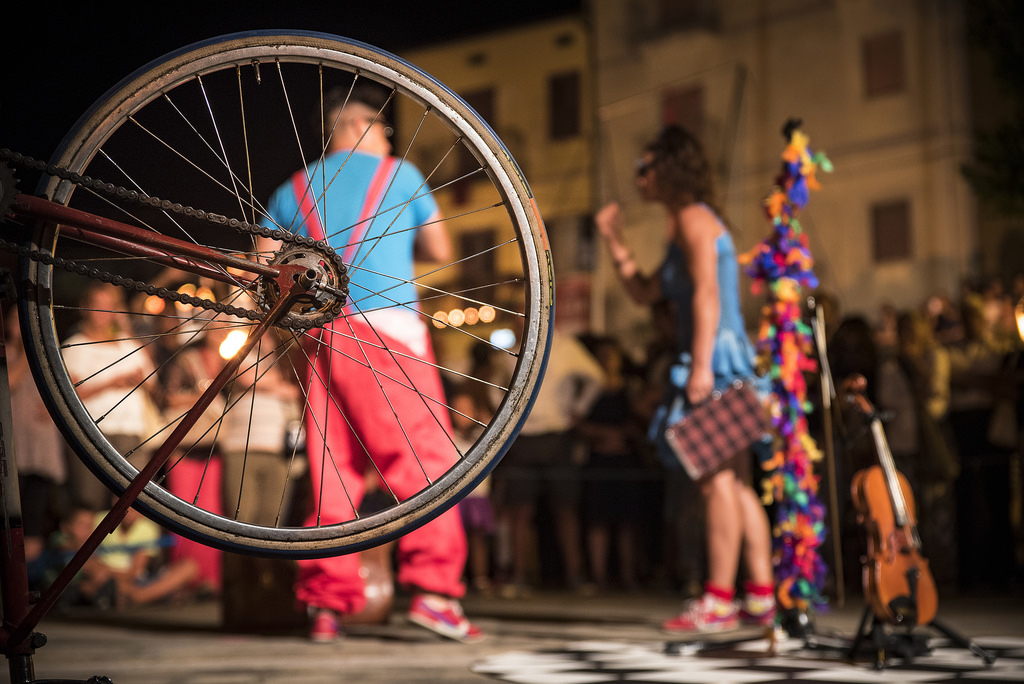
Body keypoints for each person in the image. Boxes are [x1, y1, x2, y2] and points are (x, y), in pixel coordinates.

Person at [260, 81, 480, 643]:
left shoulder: (292, 187)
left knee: (333, 471)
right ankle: (435, 592)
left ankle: (326, 605)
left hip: (319, 338)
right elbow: (439, 252)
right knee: (426, 465)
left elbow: (260, 264)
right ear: (358, 126)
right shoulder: (399, 177)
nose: (389, 139)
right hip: (388, 330)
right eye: (384, 130)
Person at [594, 124, 775, 633]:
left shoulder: (695, 219)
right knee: (736, 484)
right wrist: (614, 240)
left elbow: (706, 296)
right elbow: (646, 294)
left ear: (668, 170)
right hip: (721, 360)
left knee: (717, 483)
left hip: (716, 360)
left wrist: (699, 366)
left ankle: (718, 600)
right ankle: (760, 597)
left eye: (644, 167)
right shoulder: (683, 224)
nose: (639, 177)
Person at [491, 327, 603, 596]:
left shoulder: (565, 345)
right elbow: (494, 386)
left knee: (565, 509)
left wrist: (578, 409)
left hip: (557, 434)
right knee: (521, 510)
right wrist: (506, 416)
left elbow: (596, 377)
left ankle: (574, 575)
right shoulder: (511, 350)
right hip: (523, 437)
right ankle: (519, 576)